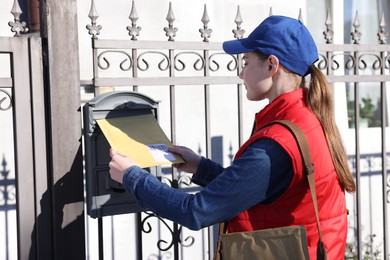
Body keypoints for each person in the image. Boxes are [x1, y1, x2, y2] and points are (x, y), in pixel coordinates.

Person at [109, 15, 356, 259]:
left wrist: (132, 176)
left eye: (246, 62)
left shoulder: (278, 144)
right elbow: (258, 189)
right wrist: (201, 167)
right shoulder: (308, 119)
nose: (241, 73)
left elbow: (196, 211)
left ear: (272, 65)